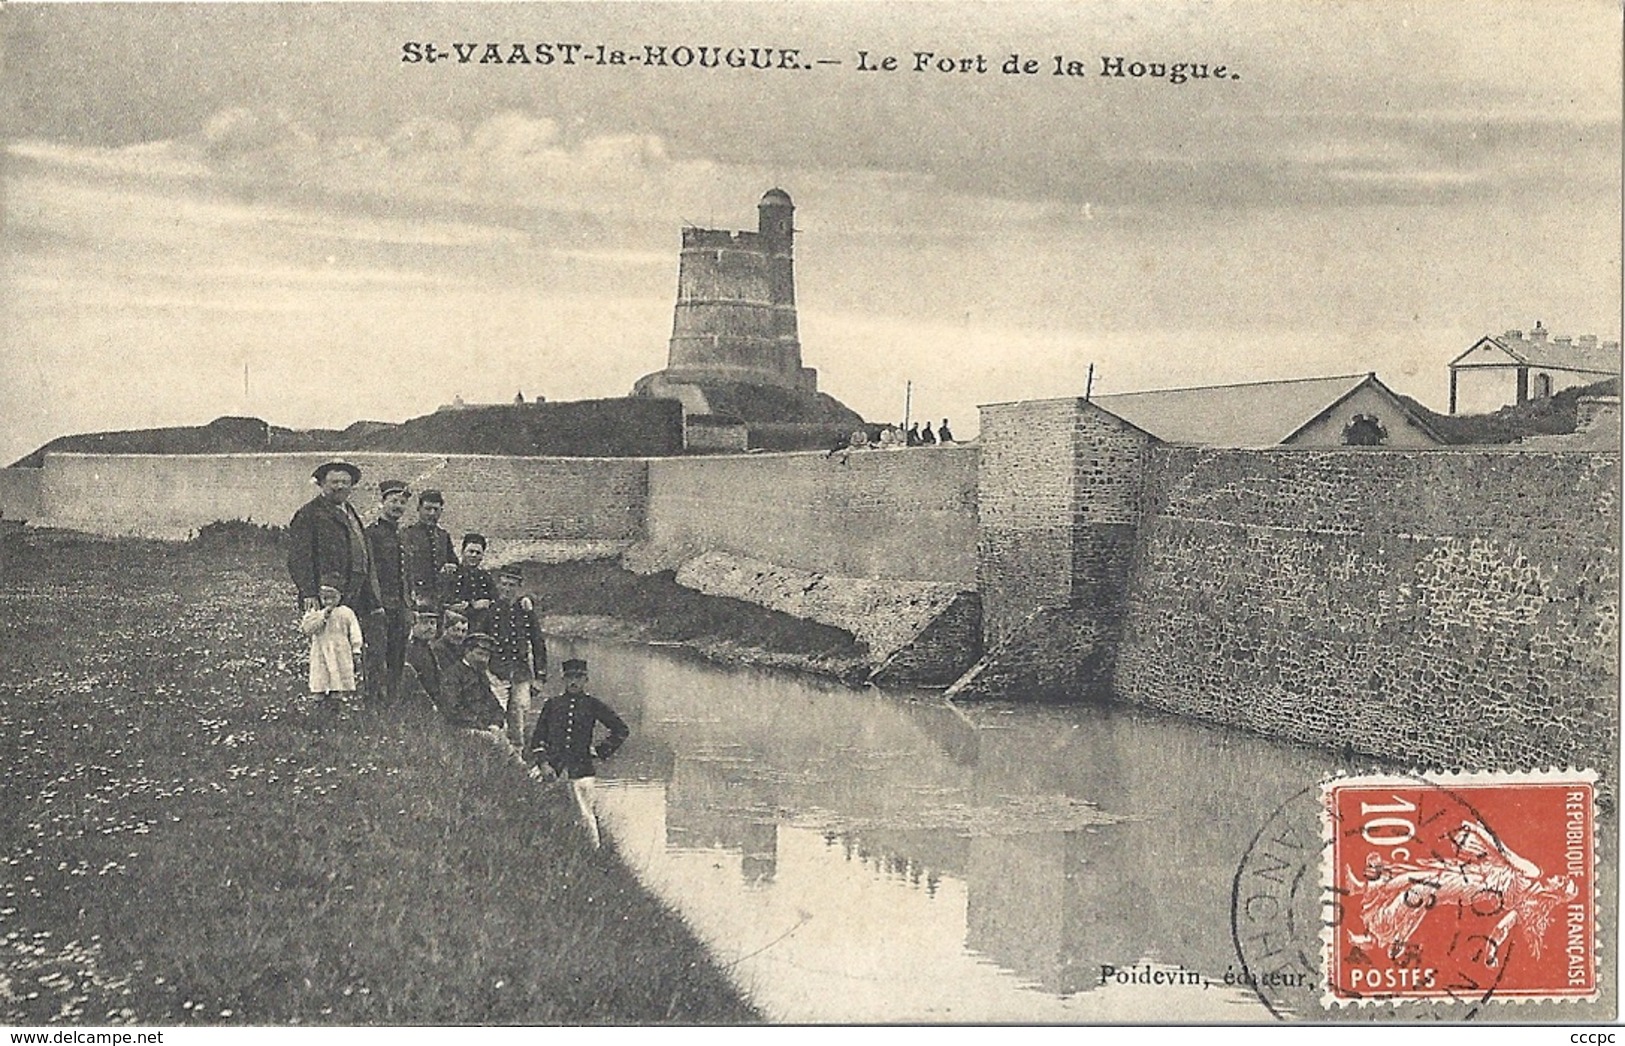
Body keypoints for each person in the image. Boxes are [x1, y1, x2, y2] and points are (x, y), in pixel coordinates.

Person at [528, 658, 629, 849]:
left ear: (586, 680)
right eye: (569, 677)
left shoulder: (593, 705)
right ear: (563, 680)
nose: (574, 682)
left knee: (585, 813)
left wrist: (600, 751)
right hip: (553, 764)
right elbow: (538, 738)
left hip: (581, 766)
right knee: (534, 800)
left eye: (578, 677)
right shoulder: (552, 704)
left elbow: (621, 730)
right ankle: (539, 845)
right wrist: (544, 764)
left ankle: (592, 851)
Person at [287, 460, 381, 616]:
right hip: (326, 592)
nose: (340, 487)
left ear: (351, 486)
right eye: (334, 482)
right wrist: (309, 592)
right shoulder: (309, 513)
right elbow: (299, 557)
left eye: (345, 482)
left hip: (356, 591)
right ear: (322, 484)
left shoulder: (350, 511)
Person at [363, 479, 413, 705]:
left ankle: (392, 703)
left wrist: (409, 604)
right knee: (376, 656)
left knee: (397, 656)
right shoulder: (371, 534)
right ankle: (372, 703)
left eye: (402, 503)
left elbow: (406, 573)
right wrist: (374, 603)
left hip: (400, 607)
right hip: (379, 606)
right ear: (382, 502)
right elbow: (368, 571)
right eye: (393, 501)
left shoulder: (402, 535)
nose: (398, 506)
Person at [486, 565, 548, 749]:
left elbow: (538, 643)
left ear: (519, 586)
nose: (506, 589)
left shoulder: (526, 610)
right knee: (497, 718)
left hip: (520, 673)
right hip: (496, 672)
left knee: (519, 717)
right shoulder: (491, 609)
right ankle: (497, 755)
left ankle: (517, 757)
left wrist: (540, 677)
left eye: (511, 585)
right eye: (503, 584)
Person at [298, 577, 364, 720]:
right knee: (320, 678)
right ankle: (318, 708)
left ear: (340, 596)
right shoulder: (315, 612)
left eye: (332, 598)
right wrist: (322, 616)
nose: (329, 602)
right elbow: (307, 628)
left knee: (337, 678)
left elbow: (355, 631)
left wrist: (356, 649)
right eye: (325, 598)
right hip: (321, 651)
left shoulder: (346, 612)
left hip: (340, 652)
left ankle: (336, 708)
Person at [402, 489, 458, 614]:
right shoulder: (407, 534)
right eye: (427, 509)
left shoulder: (443, 536)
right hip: (414, 599)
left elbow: (453, 562)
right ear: (418, 509)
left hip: (438, 599)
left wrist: (450, 567)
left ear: (441, 511)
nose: (432, 513)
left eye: (436, 509)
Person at [437, 632, 506, 731]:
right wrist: (481, 724)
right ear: (467, 652)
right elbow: (452, 708)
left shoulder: (481, 674)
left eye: (487, 656)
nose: (483, 659)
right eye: (479, 654)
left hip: (486, 728)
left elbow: (494, 705)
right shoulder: (453, 675)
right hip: (464, 729)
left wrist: (496, 723)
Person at [446, 533, 496, 632]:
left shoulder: (486, 577)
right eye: (471, 551)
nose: (474, 555)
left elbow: (495, 599)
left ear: (482, 556)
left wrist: (488, 603)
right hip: (455, 626)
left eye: (478, 553)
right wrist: (472, 605)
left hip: (480, 627)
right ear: (462, 552)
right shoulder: (451, 574)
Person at [401, 605, 445, 712]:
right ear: (413, 625)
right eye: (425, 623)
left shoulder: (430, 648)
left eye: (433, 623)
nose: (430, 628)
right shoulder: (408, 650)